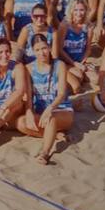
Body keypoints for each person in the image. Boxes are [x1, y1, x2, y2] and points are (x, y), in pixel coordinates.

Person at [18, 35, 73, 164]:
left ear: (49, 48)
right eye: (37, 50)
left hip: (61, 109)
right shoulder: (29, 68)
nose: (42, 53)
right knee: (21, 123)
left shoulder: (60, 65)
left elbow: (61, 94)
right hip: (41, 111)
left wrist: (50, 108)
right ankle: (55, 134)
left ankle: (45, 152)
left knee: (51, 118)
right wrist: (29, 111)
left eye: (44, 48)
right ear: (32, 51)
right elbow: (29, 95)